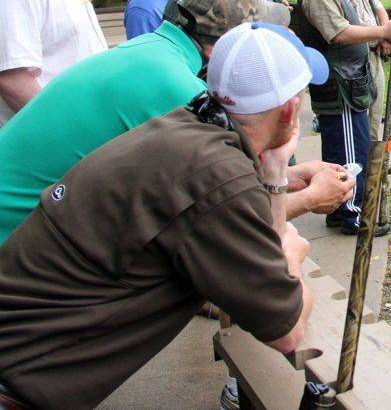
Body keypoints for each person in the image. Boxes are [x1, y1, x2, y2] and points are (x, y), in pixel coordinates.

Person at [0, 23, 343, 410]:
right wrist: (291, 253)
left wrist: (278, 170)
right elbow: (289, 333)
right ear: (290, 109)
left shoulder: (183, 128)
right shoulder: (219, 179)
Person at [0, 0, 346, 244]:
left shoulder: (150, 50)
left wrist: (288, 176)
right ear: (226, 47)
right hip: (21, 242)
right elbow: (232, 214)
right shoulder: (180, 89)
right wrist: (311, 197)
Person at [294, 0, 391, 235]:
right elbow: (338, 33)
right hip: (339, 88)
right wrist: (381, 30)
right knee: (348, 154)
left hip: (349, 83)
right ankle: (351, 215)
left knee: (347, 150)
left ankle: (336, 208)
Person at [340, 0, 391, 142]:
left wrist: (385, 36)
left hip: (373, 52)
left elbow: (377, 7)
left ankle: (374, 156)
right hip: (356, 56)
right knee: (362, 110)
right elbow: (348, 25)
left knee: (377, 105)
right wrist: (381, 32)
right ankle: (365, 157)